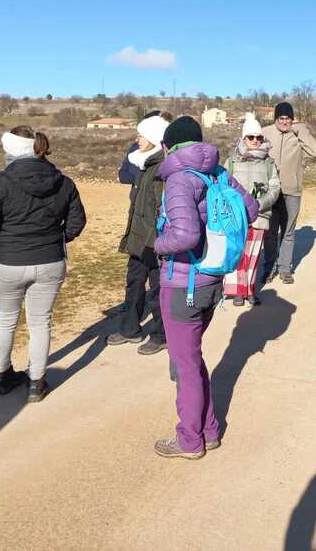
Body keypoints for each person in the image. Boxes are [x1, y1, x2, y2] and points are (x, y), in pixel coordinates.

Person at [153, 116, 258, 459]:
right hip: (213, 280)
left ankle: (189, 440)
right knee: (192, 359)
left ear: (168, 146)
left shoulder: (178, 180)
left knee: (185, 366)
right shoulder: (219, 173)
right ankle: (209, 430)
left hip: (182, 284)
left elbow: (185, 235)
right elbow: (252, 210)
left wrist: (157, 244)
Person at [0, 126, 86, 403]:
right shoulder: (64, 182)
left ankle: (3, 377)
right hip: (49, 261)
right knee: (40, 322)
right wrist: (57, 239)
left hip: (7, 262)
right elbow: (77, 222)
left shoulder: (1, 182)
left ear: (12, 150)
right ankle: (36, 383)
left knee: (5, 319)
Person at [107, 115, 170, 353]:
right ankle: (129, 329)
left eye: (141, 135)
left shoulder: (161, 168)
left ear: (153, 137)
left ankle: (161, 335)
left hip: (154, 241)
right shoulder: (144, 164)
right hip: (138, 237)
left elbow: (161, 208)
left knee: (157, 289)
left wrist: (156, 241)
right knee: (134, 283)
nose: (137, 140)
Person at [223, 112, 281, 306]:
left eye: (259, 137)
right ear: (243, 138)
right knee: (238, 254)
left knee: (254, 255)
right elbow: (223, 187)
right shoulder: (231, 161)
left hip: (259, 214)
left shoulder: (268, 163)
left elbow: (274, 188)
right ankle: (238, 292)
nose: (255, 140)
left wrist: (260, 204)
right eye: (251, 137)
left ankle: (250, 290)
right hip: (236, 216)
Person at [261, 101, 316, 284]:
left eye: (288, 118)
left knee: (288, 232)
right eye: (281, 118)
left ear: (292, 120)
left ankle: (285, 269)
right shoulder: (265, 132)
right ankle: (269, 268)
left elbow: (315, 151)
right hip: (271, 191)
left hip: (292, 191)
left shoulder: (297, 133)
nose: (284, 122)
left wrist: (300, 131)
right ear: (275, 119)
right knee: (270, 232)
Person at [118, 109, 174, 185]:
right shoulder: (135, 150)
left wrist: (142, 178)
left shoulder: (169, 156)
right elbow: (122, 175)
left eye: (141, 136)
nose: (137, 140)